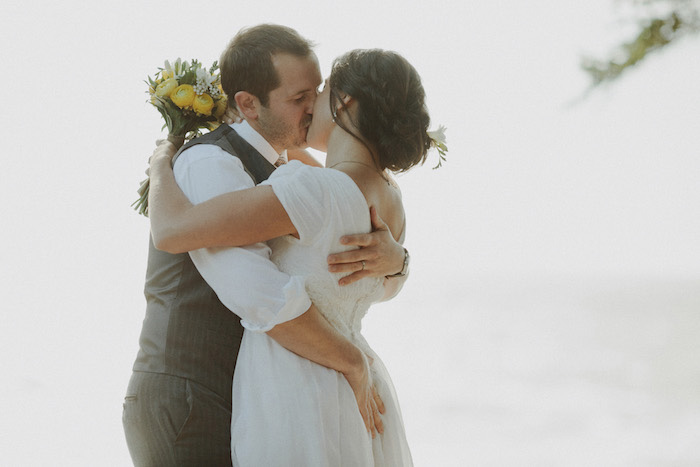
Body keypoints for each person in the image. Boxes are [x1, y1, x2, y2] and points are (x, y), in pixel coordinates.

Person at [123, 25, 408, 466]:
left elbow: (342, 227)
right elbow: (261, 293)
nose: (314, 107)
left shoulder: (294, 172)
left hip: (256, 392)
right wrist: (352, 361)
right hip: (192, 392)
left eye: (316, 92)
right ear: (248, 104)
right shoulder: (209, 161)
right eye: (299, 99)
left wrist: (397, 263)